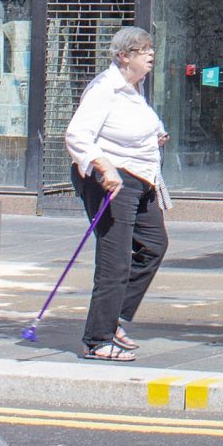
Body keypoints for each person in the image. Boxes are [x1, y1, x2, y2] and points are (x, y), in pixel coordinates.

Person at [64, 25, 170, 363]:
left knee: (153, 246)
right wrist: (103, 166)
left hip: (141, 179)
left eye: (151, 48)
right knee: (115, 260)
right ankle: (97, 339)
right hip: (111, 181)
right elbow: (77, 135)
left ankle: (116, 318)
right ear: (124, 56)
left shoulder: (132, 88)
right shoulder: (105, 89)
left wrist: (154, 137)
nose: (151, 54)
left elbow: (128, 129)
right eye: (143, 50)